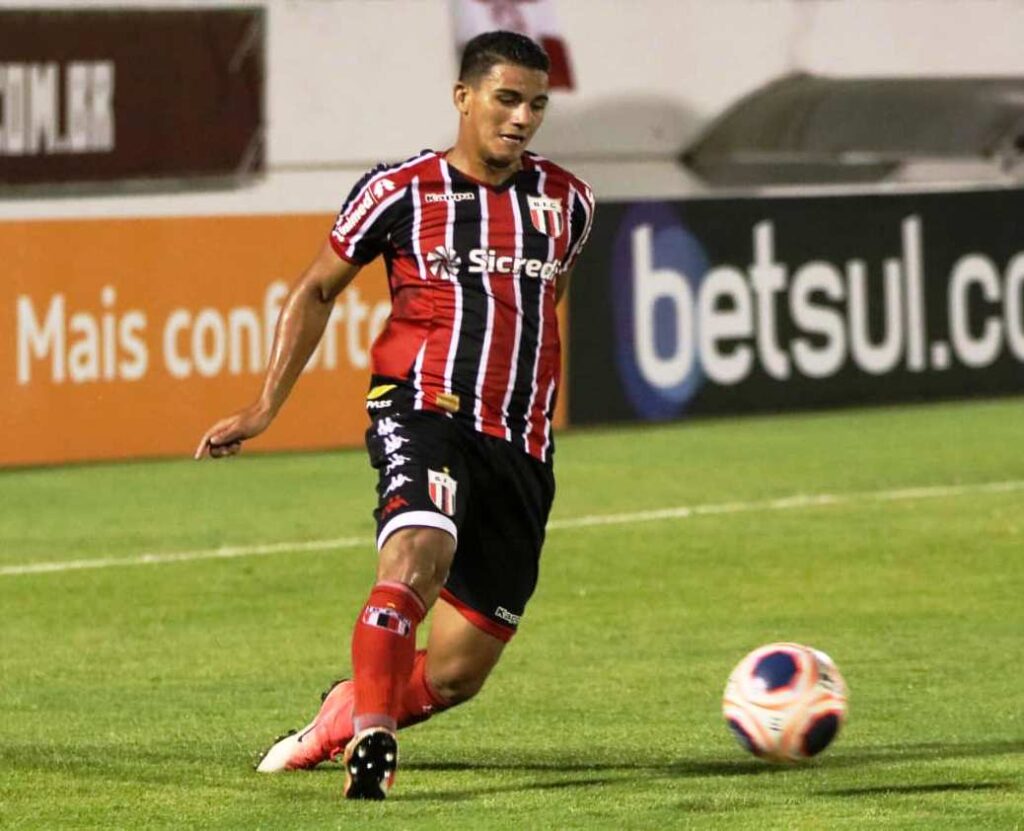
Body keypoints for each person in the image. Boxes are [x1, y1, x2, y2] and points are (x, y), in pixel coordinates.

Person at [195, 30, 595, 800]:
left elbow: (547, 300)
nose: (522, 118)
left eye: (537, 104)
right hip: (423, 408)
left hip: (521, 446)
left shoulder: (567, 202)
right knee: (416, 553)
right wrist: (263, 405)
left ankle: (340, 716)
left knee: (453, 673)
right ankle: (374, 740)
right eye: (507, 99)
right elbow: (317, 289)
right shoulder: (400, 190)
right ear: (464, 98)